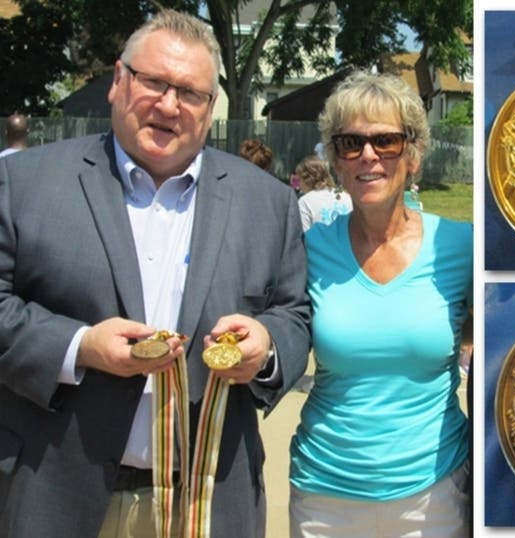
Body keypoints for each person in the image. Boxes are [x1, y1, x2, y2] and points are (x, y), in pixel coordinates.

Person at [0, 9, 310, 538]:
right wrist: (80, 347)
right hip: (58, 494)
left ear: (210, 108)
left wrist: (267, 347)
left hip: (210, 502)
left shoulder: (269, 203)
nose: (169, 105)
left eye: (190, 93)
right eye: (154, 82)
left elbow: (293, 314)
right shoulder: (23, 181)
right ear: (118, 81)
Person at [289, 71, 473, 537]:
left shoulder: (461, 246)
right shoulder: (307, 249)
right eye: (351, 142)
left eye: (386, 141)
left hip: (433, 497)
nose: (368, 155)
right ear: (335, 159)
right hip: (324, 499)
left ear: (412, 155)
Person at [293, 154, 352, 231]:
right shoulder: (346, 197)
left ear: (307, 179)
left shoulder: (305, 202)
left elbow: (304, 236)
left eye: (299, 180)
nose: (299, 185)